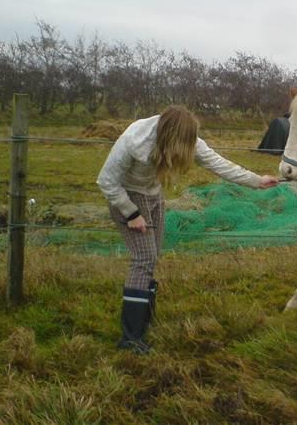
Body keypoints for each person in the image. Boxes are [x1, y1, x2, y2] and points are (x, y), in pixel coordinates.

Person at [97, 105, 278, 353]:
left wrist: (256, 181)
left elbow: (218, 163)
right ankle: (130, 339)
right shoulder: (133, 140)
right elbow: (106, 180)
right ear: (171, 136)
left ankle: (143, 324)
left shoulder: (188, 139)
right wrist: (131, 213)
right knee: (144, 258)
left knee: (152, 258)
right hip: (126, 197)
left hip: (153, 194)